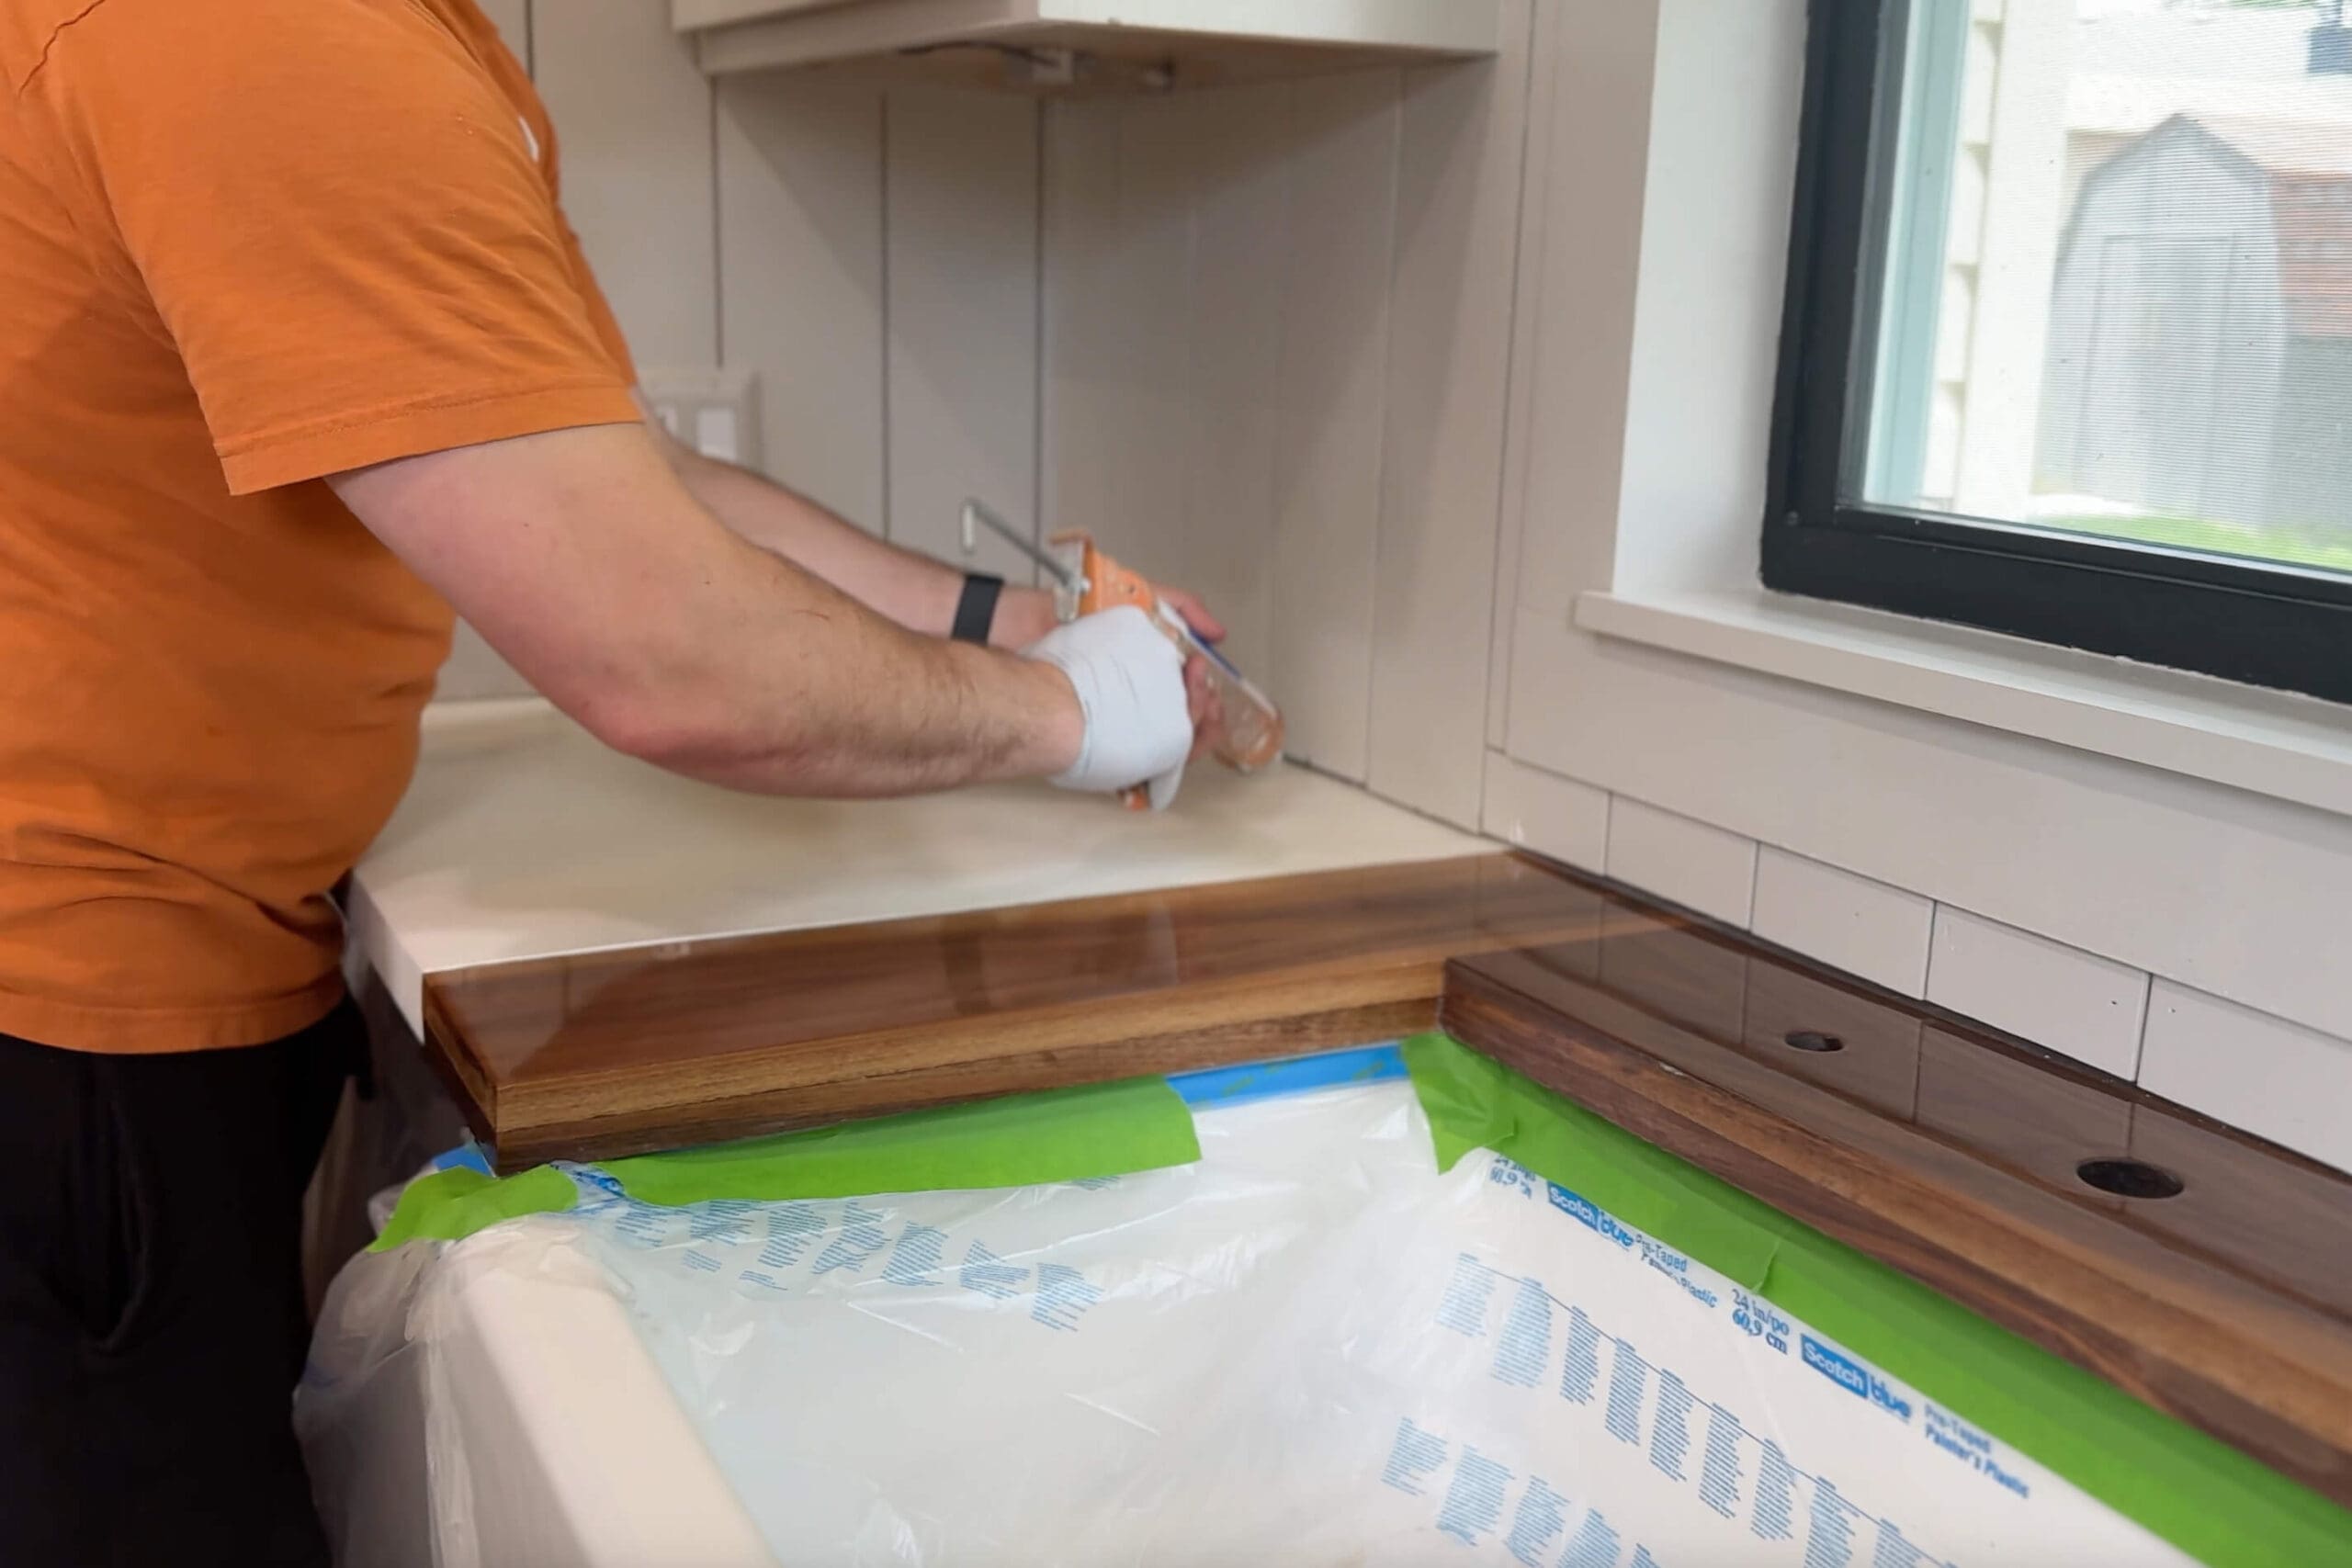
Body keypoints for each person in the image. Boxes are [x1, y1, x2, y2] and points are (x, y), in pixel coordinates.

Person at [0, 0, 1223, 1560]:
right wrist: (1074, 715)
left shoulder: (402, 39)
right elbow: (659, 653)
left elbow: (613, 469)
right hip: (66, 1009)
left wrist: (1026, 629)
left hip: (151, 969)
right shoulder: (275, 27)